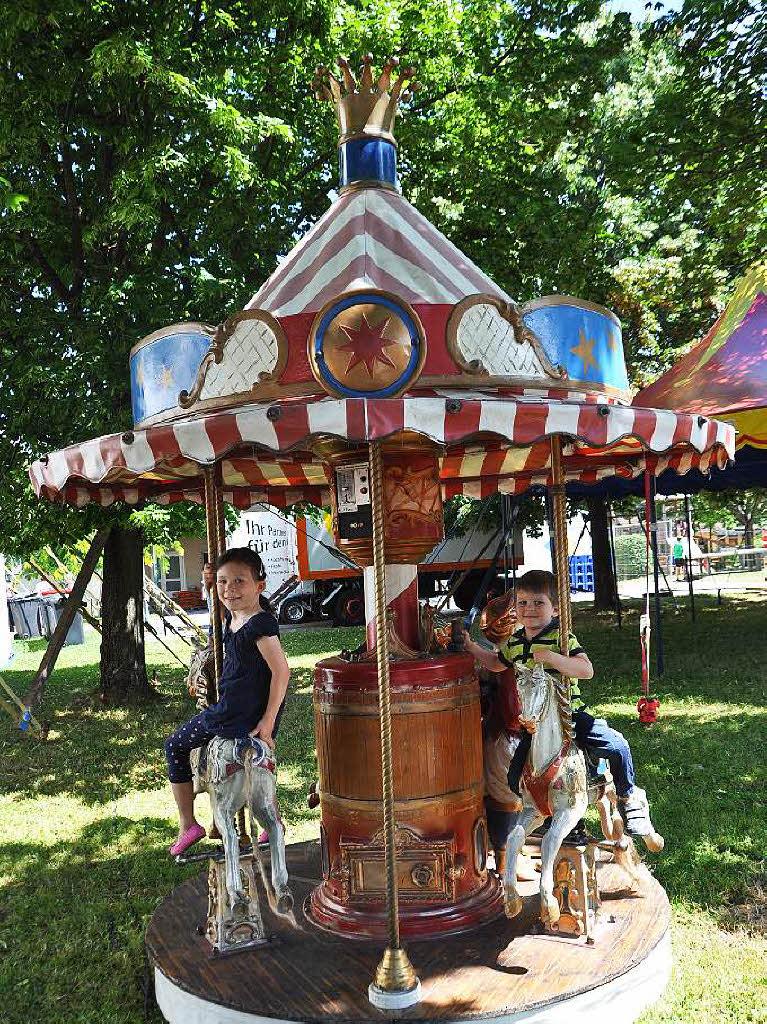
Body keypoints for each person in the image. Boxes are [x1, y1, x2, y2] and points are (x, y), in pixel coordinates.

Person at [463, 569, 656, 841]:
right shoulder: (515, 643)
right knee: (514, 774)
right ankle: (545, 809)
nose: (529, 609)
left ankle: (629, 797)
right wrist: (473, 649)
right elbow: (496, 663)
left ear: (555, 609)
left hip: (568, 715)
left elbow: (585, 669)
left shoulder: (561, 638)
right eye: (523, 603)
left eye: (538, 603)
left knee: (617, 745)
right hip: (534, 721)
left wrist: (554, 658)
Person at [165, 547, 290, 856]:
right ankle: (273, 820)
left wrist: (268, 720)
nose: (229, 590)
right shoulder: (237, 617)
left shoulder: (260, 625)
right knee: (254, 761)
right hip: (239, 706)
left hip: (236, 712)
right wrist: (211, 583)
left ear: (259, 586)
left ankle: (187, 824)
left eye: (239, 582)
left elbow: (282, 671)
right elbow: (220, 606)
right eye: (223, 582)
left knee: (175, 745)